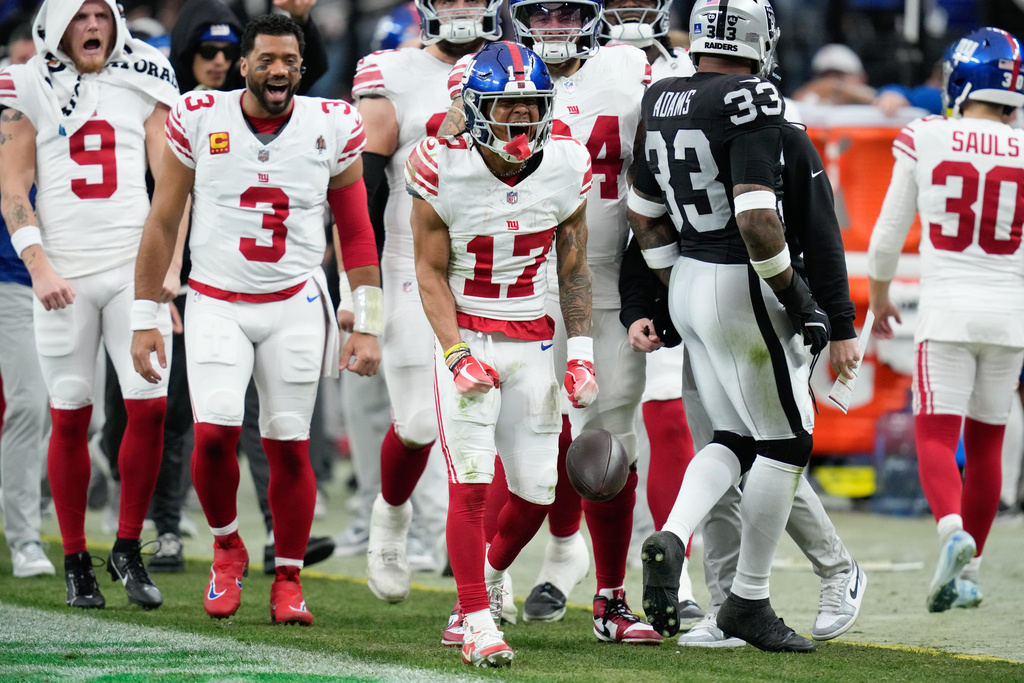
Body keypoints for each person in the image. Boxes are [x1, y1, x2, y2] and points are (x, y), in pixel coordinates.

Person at [130, 13, 381, 626]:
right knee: (214, 431)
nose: (277, 70)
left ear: (301, 67)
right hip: (216, 297)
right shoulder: (198, 115)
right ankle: (226, 546)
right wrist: (144, 313)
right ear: (243, 64)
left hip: (294, 302)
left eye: (288, 61)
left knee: (289, 444)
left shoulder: (332, 123)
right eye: (265, 59)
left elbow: (355, 230)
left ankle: (289, 579)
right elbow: (163, 219)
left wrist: (368, 320)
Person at [627, 0, 860, 653]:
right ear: (761, 39)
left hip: (691, 278)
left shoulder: (663, 94)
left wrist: (675, 287)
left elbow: (643, 213)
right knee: (787, 443)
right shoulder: (753, 97)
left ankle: (673, 533)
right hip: (744, 278)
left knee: (733, 435)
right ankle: (749, 599)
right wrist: (800, 296)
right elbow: (759, 217)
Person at [459, 0, 658, 644]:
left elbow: (654, 172)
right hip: (515, 293)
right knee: (514, 451)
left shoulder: (632, 67)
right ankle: (486, 581)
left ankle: (610, 595)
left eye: (567, 11)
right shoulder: (480, 71)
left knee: (608, 444)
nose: (553, 25)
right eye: (538, 12)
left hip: (598, 283)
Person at [410, 39, 596, 668]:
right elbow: (429, 273)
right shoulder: (441, 164)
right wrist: (456, 351)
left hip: (532, 335)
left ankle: (484, 581)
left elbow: (574, 265)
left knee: (539, 492)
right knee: (470, 486)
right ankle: (477, 618)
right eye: (506, 105)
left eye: (529, 104)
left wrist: (584, 352)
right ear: (476, 106)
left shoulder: (567, 160)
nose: (520, 118)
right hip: (470, 333)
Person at [0, 0, 179, 609]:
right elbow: (11, 184)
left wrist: (169, 268)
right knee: (70, 414)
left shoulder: (146, 73)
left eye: (102, 14)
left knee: (149, 408)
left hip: (135, 269)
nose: (93, 26)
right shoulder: (27, 83)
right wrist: (39, 263)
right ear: (54, 24)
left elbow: (170, 182)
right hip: (64, 274)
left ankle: (128, 546)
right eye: (80, 16)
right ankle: (76, 557)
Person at [867, 27, 1024, 614]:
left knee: (936, 432)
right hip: (1011, 315)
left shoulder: (927, 136)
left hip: (949, 308)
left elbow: (886, 237)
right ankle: (971, 570)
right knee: (988, 443)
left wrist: (880, 295)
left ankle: (951, 531)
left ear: (960, 81)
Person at [352, 0, 502, 605]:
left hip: (497, 265)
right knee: (416, 424)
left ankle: (491, 572)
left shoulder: (517, 66)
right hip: (410, 261)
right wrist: (362, 293)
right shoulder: (390, 70)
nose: (463, 8)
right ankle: (391, 515)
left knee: (496, 426)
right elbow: (360, 184)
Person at [599, 0, 706, 627]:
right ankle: (553, 560)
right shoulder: (560, 70)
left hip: (663, 263)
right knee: (567, 433)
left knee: (666, 424)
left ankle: (679, 575)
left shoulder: (695, 71)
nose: (628, 11)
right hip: (570, 268)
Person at [0, 20, 52, 580]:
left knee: (87, 416)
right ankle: (23, 538)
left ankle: (36, 506)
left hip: (74, 279)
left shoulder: (76, 106)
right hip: (12, 280)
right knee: (28, 405)